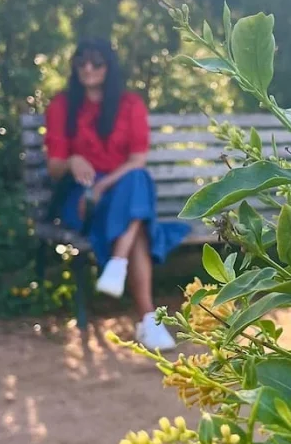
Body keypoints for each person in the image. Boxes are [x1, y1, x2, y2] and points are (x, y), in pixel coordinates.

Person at [44, 37, 190, 349]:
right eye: (81, 61)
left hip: (117, 189)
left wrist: (105, 183)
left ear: (109, 67)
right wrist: (72, 160)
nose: (88, 68)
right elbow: (54, 168)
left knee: (137, 179)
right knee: (136, 218)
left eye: (96, 62)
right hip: (82, 198)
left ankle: (123, 272)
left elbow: (137, 160)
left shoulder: (130, 105)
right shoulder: (61, 106)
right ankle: (145, 317)